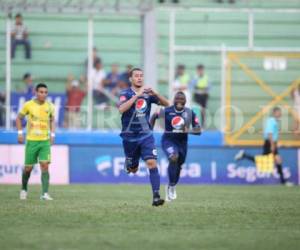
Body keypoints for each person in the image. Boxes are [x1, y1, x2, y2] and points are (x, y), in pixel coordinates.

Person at [118, 68, 169, 206]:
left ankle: (156, 196)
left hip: (145, 135)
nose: (139, 78)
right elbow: (121, 109)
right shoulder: (125, 93)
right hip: (129, 137)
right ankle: (129, 162)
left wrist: (157, 94)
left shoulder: (148, 95)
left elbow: (168, 104)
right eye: (136, 76)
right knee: (133, 169)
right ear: (131, 79)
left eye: (141, 76)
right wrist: (137, 96)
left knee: (152, 163)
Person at [150, 91, 201, 201]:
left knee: (178, 166)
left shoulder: (190, 113)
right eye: (177, 99)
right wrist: (149, 131)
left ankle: (171, 185)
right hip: (168, 141)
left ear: (185, 101)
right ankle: (172, 187)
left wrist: (189, 130)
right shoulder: (167, 111)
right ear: (173, 100)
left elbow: (199, 130)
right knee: (173, 157)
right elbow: (154, 116)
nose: (179, 101)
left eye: (181, 99)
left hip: (182, 143)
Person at [16, 83, 55, 200]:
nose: (43, 94)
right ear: (36, 92)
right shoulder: (28, 105)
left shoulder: (50, 106)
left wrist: (52, 134)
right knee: (28, 168)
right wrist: (20, 133)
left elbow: (52, 121)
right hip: (31, 141)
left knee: (45, 165)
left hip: (44, 141)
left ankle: (44, 194)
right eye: (41, 92)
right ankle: (24, 189)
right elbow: (19, 118)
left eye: (45, 92)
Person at [234, 107, 292, 186]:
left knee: (277, 160)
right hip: (269, 143)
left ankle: (283, 181)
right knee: (265, 160)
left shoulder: (273, 121)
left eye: (280, 113)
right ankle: (244, 155)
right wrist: (272, 145)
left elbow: (272, 134)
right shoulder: (272, 121)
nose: (280, 114)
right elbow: (270, 133)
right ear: (274, 113)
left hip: (271, 143)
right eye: (279, 112)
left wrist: (276, 144)